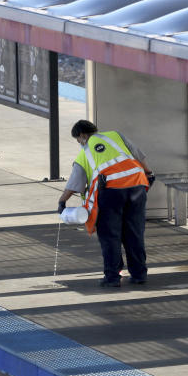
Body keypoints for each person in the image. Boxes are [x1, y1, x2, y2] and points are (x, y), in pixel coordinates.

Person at [58, 120, 154, 287]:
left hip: (111, 193)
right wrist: (149, 173)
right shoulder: (116, 136)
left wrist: (62, 201)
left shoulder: (85, 153)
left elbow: (75, 183)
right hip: (137, 185)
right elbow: (139, 155)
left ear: (82, 135)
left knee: (110, 236)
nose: (79, 143)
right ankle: (139, 274)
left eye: (78, 140)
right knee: (134, 232)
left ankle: (112, 277)